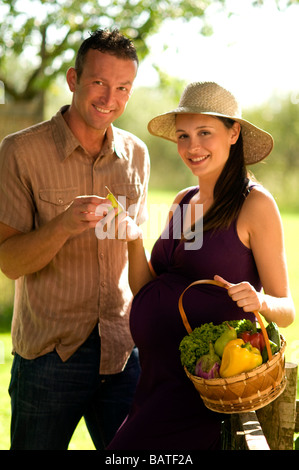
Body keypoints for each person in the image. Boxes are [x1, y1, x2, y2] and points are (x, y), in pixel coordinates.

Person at [105, 81, 295, 450]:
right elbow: (150, 288)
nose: (192, 147)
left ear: (233, 132)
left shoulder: (255, 205)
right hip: (154, 382)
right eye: (183, 136)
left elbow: (285, 309)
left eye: (204, 133)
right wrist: (132, 242)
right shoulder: (183, 201)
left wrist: (260, 301)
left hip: (200, 393)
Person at [0, 29, 150, 450]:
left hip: (123, 352)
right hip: (48, 356)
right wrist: (63, 225)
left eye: (123, 88)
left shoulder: (137, 155)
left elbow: (136, 255)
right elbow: (10, 262)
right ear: (73, 79)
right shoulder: (19, 152)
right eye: (99, 83)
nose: (110, 98)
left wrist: (137, 237)